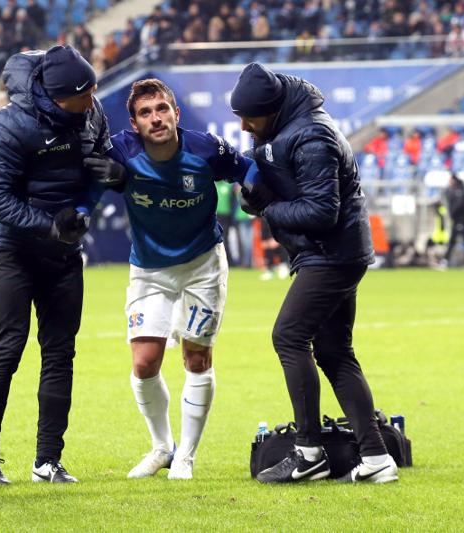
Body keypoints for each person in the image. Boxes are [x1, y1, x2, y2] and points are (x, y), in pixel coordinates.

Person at [83, 79, 260, 480]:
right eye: (145, 113)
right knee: (144, 363)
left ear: (176, 114)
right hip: (149, 269)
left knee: (196, 359)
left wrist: (255, 188)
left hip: (202, 265)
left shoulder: (205, 148)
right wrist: (79, 212)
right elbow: (89, 188)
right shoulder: (121, 151)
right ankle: (163, 447)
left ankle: (186, 457)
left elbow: (245, 168)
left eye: (162, 109)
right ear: (134, 123)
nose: (156, 118)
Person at [229, 63, 397, 484]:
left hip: (331, 254)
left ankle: (309, 453)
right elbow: (275, 182)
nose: (245, 126)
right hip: (331, 253)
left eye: (250, 118)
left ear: (272, 109)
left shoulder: (312, 136)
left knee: (288, 336)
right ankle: (376, 458)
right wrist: (255, 195)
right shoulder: (282, 128)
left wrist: (268, 208)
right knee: (335, 352)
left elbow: (322, 211)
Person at [0, 46, 118, 485]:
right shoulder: (10, 126)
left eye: (93, 90)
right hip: (12, 252)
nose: (93, 100)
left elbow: (100, 167)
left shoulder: (91, 112)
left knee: (60, 352)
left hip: (63, 253)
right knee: (7, 348)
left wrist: (98, 194)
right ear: (57, 97)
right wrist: (48, 226)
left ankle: (48, 461)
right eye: (84, 94)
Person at [443, 172, 464, 266]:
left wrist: (452, 214)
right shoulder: (454, 190)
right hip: (456, 219)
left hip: (460, 219)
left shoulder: (459, 191)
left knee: (463, 239)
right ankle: (447, 259)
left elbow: (459, 205)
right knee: (458, 240)